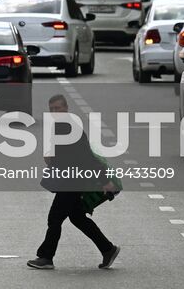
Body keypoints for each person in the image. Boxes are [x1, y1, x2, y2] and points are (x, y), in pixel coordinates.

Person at [27, 94, 121, 271]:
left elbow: (86, 158)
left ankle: (46, 257)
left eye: (58, 108)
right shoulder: (60, 127)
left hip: (72, 181)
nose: (56, 112)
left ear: (66, 108)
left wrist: (105, 181)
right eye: (52, 109)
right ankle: (108, 249)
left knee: (54, 218)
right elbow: (65, 157)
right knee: (77, 218)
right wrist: (51, 160)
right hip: (69, 179)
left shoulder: (70, 128)